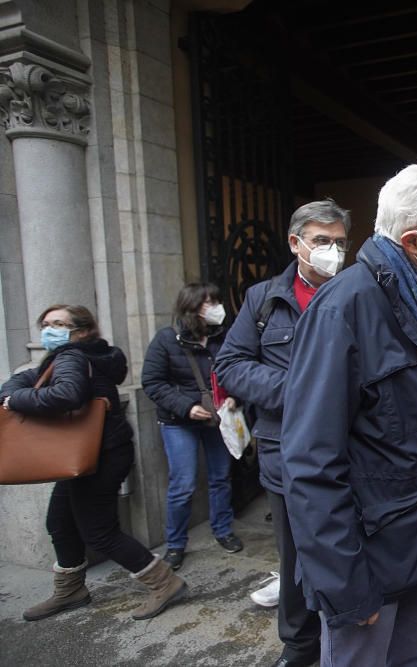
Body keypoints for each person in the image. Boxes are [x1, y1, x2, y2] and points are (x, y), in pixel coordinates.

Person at [280, 163, 417, 667]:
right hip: (365, 561)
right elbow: (310, 460)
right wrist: (345, 586)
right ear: (413, 241)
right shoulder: (345, 308)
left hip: (415, 545)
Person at [215, 198, 351, 667]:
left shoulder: (360, 294)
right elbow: (230, 365)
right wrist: (300, 389)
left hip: (351, 455)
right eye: (321, 241)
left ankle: (347, 636)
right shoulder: (263, 299)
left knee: (346, 550)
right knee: (295, 558)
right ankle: (299, 646)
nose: (332, 251)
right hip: (286, 454)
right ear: (296, 244)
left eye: (339, 242)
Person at [1, 305, 187, 621]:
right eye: (46, 323)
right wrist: (11, 392)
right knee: (60, 522)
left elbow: (67, 394)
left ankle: (165, 583)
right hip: (86, 452)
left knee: (100, 532)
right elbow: (22, 379)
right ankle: (70, 590)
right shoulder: (80, 355)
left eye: (59, 323)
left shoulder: (72, 357)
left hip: (98, 455)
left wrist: (14, 400)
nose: (49, 329)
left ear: (83, 330)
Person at [141, 283, 243, 571]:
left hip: (219, 419)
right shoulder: (166, 339)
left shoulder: (223, 337)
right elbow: (152, 382)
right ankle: (175, 544)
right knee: (183, 485)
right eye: (207, 302)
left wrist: (235, 396)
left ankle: (223, 530)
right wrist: (186, 407)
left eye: (216, 301)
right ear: (191, 307)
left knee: (221, 477)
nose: (215, 307)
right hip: (179, 422)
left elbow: (237, 371)